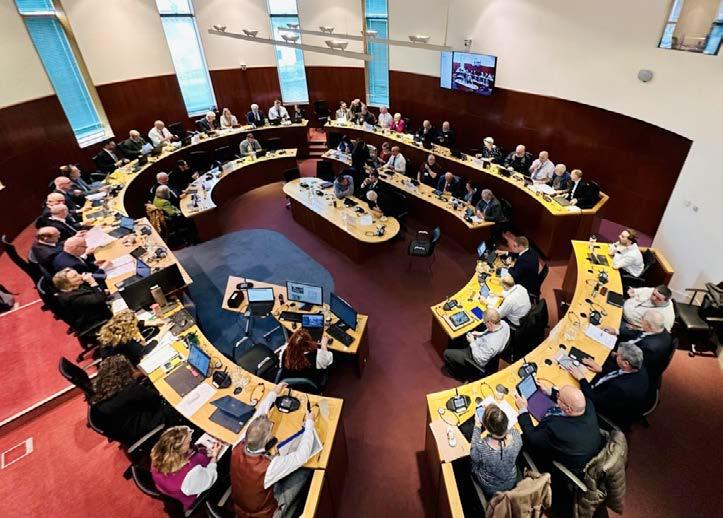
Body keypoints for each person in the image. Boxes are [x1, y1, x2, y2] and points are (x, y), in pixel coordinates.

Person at [230, 381, 315, 518]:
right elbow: (302, 456)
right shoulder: (269, 467)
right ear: (267, 440)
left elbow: (257, 418)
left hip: (241, 506)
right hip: (264, 513)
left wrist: (274, 393)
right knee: (305, 470)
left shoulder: (238, 445)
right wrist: (310, 423)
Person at [515, 384, 602, 476]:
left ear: (568, 409)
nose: (557, 396)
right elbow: (571, 401)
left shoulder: (558, 430)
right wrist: (550, 392)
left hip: (566, 465)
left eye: (558, 397)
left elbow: (532, 437)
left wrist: (523, 410)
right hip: (588, 449)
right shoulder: (586, 404)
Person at [91, 356, 179, 446]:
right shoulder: (131, 390)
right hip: (143, 431)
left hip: (125, 432)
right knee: (173, 403)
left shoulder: (98, 393)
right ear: (126, 372)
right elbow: (156, 399)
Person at [566, 343, 649, 428]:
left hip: (604, 406)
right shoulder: (637, 366)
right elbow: (618, 373)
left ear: (625, 363)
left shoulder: (621, 389)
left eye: (618, 355)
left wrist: (581, 378)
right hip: (608, 390)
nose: (615, 355)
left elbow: (594, 400)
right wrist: (602, 370)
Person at [151, 425, 222, 512]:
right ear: (180, 450)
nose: (191, 440)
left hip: (170, 493)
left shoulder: (157, 457)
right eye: (188, 442)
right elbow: (210, 476)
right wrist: (214, 456)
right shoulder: (190, 474)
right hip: (188, 499)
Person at [606, 310, 674, 383]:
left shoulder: (649, 348)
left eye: (642, 320)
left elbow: (631, 363)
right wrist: (616, 331)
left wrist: (613, 355)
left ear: (648, 326)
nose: (640, 320)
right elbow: (640, 333)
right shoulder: (659, 330)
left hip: (629, 366)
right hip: (628, 348)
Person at [471, 404, 523, 499]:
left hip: (491, 487)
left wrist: (477, 426)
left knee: (472, 465)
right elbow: (509, 429)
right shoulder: (516, 437)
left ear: (487, 428)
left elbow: (473, 456)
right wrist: (498, 417)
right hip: (511, 481)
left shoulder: (481, 447)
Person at [444, 308, 510, 380]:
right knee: (464, 337)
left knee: (447, 353)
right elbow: (492, 331)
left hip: (476, 357)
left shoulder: (491, 343)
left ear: (490, 323)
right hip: (483, 346)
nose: (484, 324)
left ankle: (458, 375)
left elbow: (479, 360)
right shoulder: (504, 324)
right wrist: (481, 333)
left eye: (485, 323)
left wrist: (472, 342)